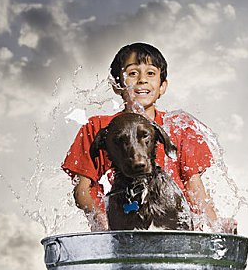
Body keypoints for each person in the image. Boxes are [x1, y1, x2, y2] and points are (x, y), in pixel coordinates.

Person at [62, 42, 236, 233]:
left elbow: (195, 190)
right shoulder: (99, 128)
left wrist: (218, 227)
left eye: (151, 73)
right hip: (126, 225)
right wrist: (106, 223)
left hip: (175, 228)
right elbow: (82, 191)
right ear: (117, 86)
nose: (142, 80)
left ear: (163, 86)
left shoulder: (179, 127)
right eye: (133, 73)